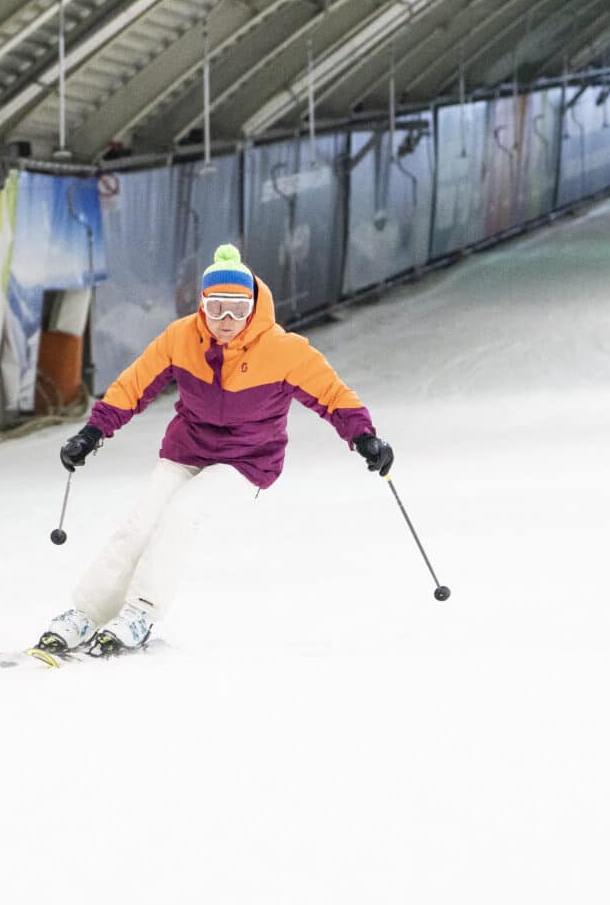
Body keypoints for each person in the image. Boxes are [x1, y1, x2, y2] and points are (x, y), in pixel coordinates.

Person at [40, 244, 394, 657]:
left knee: (182, 514)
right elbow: (133, 385)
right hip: (187, 450)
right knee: (139, 524)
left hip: (247, 461)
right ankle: (85, 613)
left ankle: (141, 612)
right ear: (202, 305)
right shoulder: (181, 337)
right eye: (217, 308)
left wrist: (364, 437)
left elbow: (332, 394)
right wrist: (92, 433)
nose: (226, 321)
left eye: (238, 309)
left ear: (254, 307)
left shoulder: (283, 349)